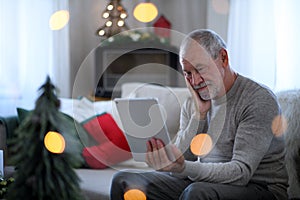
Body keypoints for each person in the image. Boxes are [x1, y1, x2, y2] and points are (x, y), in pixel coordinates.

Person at [110, 29, 288, 200]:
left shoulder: (257, 99)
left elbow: (240, 173)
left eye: (200, 69)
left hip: (260, 188)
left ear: (223, 58)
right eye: (188, 73)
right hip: (207, 184)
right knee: (125, 181)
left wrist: (183, 168)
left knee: (197, 193)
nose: (194, 81)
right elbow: (177, 165)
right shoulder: (193, 102)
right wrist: (198, 116)